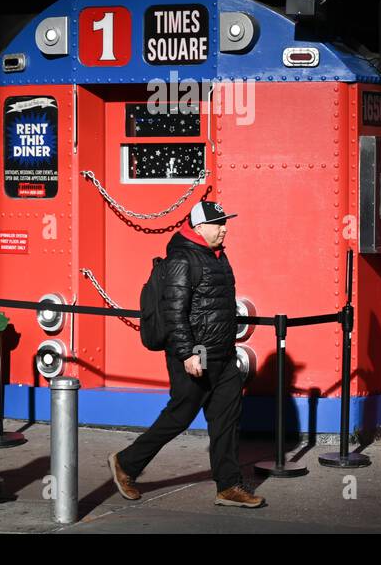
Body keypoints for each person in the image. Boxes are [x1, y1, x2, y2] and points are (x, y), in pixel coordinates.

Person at [108, 200, 265, 508]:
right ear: (199, 227)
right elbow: (174, 312)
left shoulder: (218, 255)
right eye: (218, 223)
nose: (224, 227)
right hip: (196, 354)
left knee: (226, 419)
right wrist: (187, 354)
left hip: (223, 353)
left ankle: (229, 486)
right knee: (180, 414)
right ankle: (126, 463)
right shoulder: (182, 259)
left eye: (225, 221)